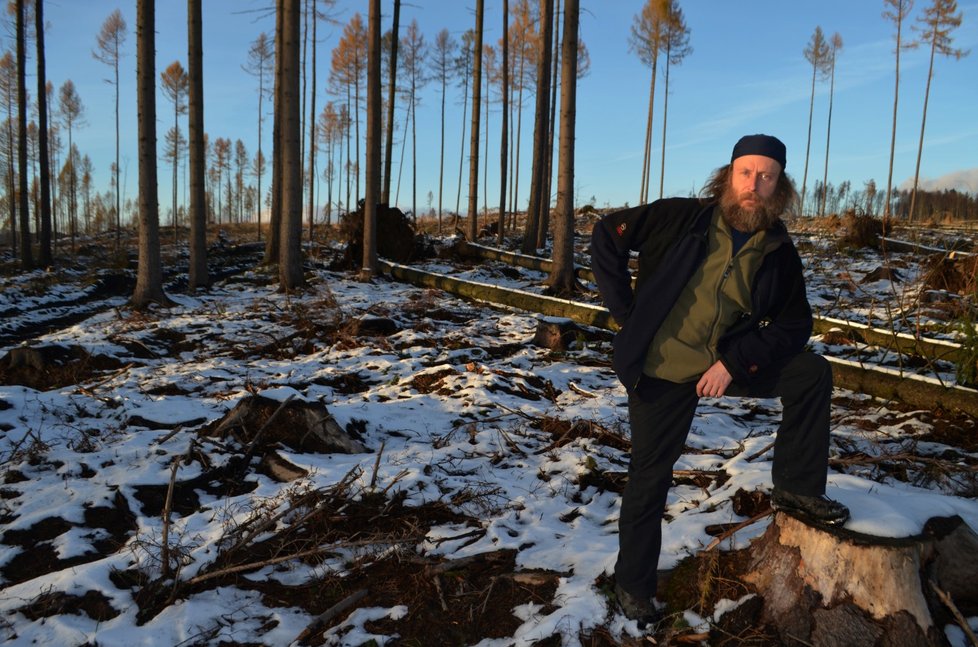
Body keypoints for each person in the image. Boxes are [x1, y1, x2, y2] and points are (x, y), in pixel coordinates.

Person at [589, 134, 849, 627]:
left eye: (767, 176)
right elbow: (607, 234)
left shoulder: (777, 250)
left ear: (781, 186)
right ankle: (633, 586)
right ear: (728, 176)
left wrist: (734, 362)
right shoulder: (680, 217)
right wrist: (628, 312)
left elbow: (796, 326)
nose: (755, 185)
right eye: (746, 172)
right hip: (662, 370)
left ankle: (796, 488)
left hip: (723, 368)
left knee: (811, 372)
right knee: (649, 478)